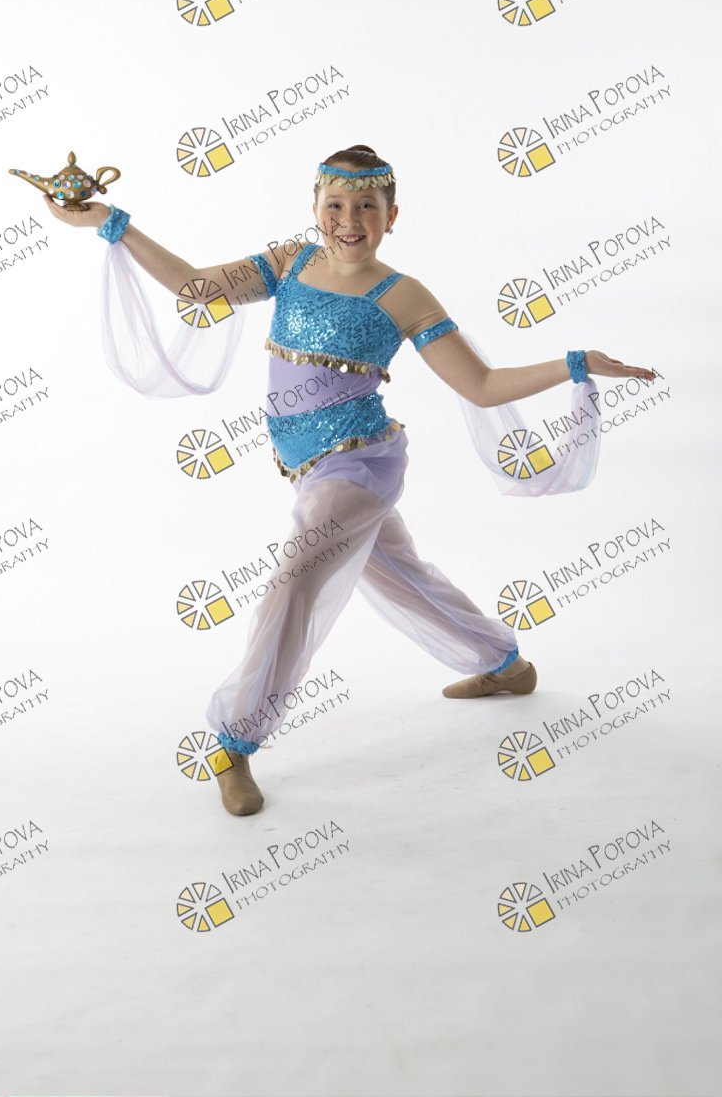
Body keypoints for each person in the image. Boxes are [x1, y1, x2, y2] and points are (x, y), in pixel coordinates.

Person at [44, 144, 656, 818]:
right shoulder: (290, 262)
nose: (349, 219)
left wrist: (574, 362)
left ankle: (234, 740)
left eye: (367, 205)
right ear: (314, 209)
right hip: (304, 466)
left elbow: (480, 385)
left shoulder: (403, 295)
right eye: (335, 204)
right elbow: (198, 288)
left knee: (295, 578)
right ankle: (505, 664)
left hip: (361, 463)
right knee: (398, 574)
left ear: (392, 216)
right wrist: (112, 224)